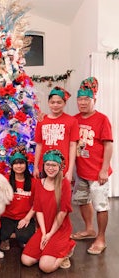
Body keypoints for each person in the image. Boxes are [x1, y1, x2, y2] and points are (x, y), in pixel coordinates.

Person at [71, 77, 113, 255]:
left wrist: (104, 169)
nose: (82, 102)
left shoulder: (102, 119)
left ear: (94, 100)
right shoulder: (74, 119)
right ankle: (89, 229)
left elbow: (108, 145)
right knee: (82, 201)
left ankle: (101, 238)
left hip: (97, 173)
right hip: (81, 172)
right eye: (80, 99)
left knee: (100, 205)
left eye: (86, 99)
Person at [21, 150, 75, 273]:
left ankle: (67, 248)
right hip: (45, 228)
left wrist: (50, 234)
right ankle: (48, 252)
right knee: (26, 260)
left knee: (45, 267)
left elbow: (62, 213)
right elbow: (38, 209)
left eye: (54, 165)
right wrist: (44, 233)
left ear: (60, 167)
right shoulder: (40, 183)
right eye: (48, 165)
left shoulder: (64, 184)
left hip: (59, 229)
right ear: (43, 166)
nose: (50, 168)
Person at [33, 86, 79, 182]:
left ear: (64, 103)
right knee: (45, 195)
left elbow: (72, 146)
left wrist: (70, 171)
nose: (55, 105)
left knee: (60, 195)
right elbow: (39, 145)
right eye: (52, 102)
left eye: (59, 102)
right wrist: (35, 167)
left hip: (62, 168)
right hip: (45, 167)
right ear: (48, 103)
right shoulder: (42, 121)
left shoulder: (72, 121)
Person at [0, 146, 36, 251]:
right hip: (7, 216)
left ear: (26, 164)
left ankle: (18, 236)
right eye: (15, 163)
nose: (18, 166)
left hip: (24, 216)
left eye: (21, 163)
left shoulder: (33, 181)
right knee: (1, 233)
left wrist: (27, 218)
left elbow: (36, 203)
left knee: (24, 236)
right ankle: (7, 237)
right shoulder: (5, 180)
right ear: (12, 165)